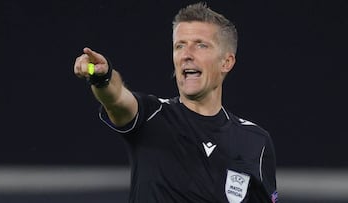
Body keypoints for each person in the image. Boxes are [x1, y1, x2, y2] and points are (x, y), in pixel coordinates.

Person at [74, 2, 278, 203]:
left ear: (226, 62)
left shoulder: (255, 141)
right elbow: (117, 98)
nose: (187, 55)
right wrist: (103, 77)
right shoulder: (151, 116)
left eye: (201, 45)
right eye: (180, 46)